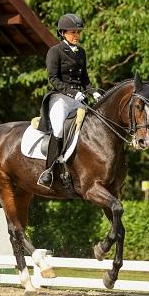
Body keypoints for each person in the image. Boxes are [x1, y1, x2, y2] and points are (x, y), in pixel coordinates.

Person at [36, 13, 102, 187]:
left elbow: (85, 79)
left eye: (78, 32)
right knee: (58, 130)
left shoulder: (81, 52)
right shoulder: (55, 51)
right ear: (63, 33)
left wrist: (94, 93)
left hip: (79, 98)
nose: (76, 35)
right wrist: (73, 93)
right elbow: (53, 79)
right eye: (73, 32)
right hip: (60, 98)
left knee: (92, 127)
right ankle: (48, 170)